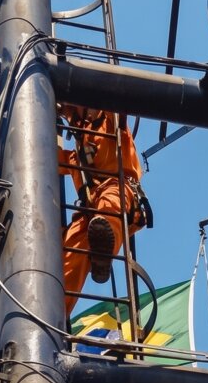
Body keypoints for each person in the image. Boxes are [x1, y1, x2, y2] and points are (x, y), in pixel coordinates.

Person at [59, 106, 151, 317]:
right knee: (69, 255)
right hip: (88, 212)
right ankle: (53, 312)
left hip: (119, 190)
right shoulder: (77, 154)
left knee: (109, 209)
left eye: (71, 111)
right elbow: (54, 158)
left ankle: (103, 249)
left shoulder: (111, 121)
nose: (69, 116)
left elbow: (116, 95)